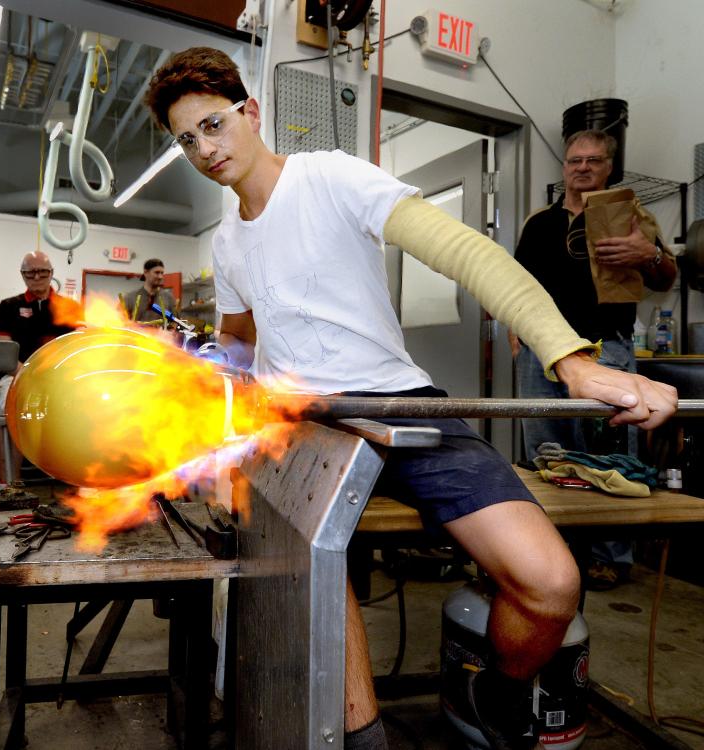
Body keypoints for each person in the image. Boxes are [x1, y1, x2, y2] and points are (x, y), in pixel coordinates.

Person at [145, 48, 677, 750]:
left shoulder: (329, 177)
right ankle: (364, 741)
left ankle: (499, 689)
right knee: (317, 562)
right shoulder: (227, 242)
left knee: (551, 582)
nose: (204, 149)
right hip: (305, 423)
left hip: (403, 403)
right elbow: (239, 342)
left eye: (213, 125)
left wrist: (570, 360)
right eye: (187, 139)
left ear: (251, 112)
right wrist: (208, 371)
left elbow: (467, 251)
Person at [512, 130, 676, 591]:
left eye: (593, 160)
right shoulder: (539, 223)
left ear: (609, 167)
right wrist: (515, 333)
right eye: (574, 160)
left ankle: (611, 556)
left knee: (611, 455)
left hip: (610, 347)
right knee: (546, 451)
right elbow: (515, 282)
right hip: (543, 353)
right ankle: (553, 548)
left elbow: (666, 279)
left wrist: (651, 253)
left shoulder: (633, 219)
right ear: (564, 167)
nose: (582, 168)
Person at [0, 250, 81, 481]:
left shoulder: (69, 307)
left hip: (59, 379)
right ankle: (8, 485)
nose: (37, 276)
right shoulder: (8, 306)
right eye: (30, 272)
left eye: (42, 271)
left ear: (51, 273)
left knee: (90, 408)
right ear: (22, 275)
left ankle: (80, 484)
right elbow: (2, 352)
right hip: (16, 376)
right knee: (7, 411)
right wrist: (27, 375)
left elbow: (78, 349)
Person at [122, 258, 176, 323]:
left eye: (162, 273)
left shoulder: (168, 298)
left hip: (161, 333)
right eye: (157, 273)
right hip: (136, 333)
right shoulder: (130, 298)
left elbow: (175, 323)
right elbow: (120, 322)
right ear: (146, 272)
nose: (160, 277)